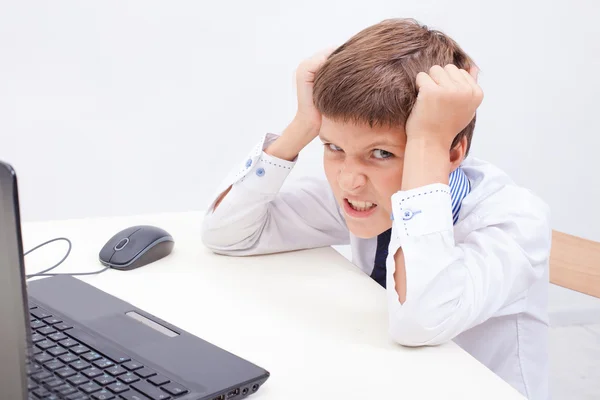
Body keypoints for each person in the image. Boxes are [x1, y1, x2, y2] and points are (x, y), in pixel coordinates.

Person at [201, 18, 551, 400]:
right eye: (332, 147)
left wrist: (427, 143)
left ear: (451, 152)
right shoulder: (364, 196)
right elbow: (228, 234)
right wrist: (305, 122)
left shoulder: (514, 223)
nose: (349, 181)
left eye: (381, 153)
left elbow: (419, 322)